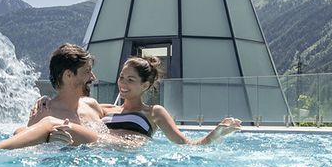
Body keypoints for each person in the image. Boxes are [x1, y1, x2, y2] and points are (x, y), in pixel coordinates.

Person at [0, 43, 106, 150]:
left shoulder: (92, 105)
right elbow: (26, 150)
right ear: (68, 75)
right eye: (87, 72)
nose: (93, 77)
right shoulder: (44, 113)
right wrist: (50, 144)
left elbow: (122, 110)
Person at [98, 56, 242, 146]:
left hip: (131, 163)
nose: (123, 83)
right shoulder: (105, 109)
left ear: (145, 85)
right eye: (121, 77)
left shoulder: (154, 112)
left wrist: (216, 134)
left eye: (130, 80)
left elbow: (187, 144)